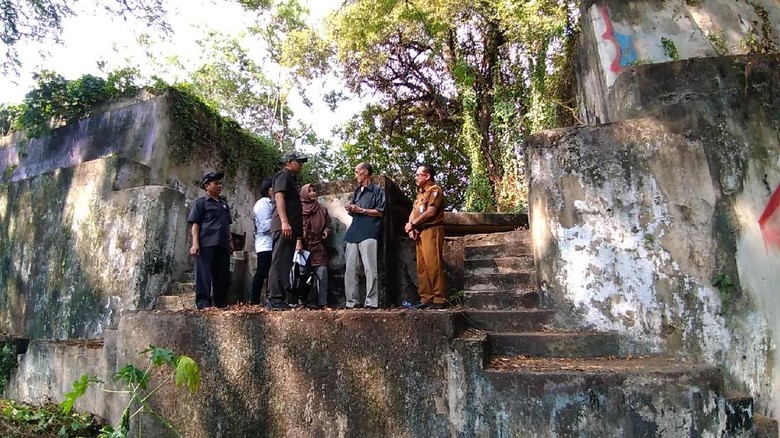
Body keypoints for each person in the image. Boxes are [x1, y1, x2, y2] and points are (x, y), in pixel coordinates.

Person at [267, 151, 307, 310]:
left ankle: (279, 298)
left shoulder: (291, 178)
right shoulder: (283, 175)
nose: (301, 165)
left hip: (290, 228)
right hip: (283, 226)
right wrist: (284, 222)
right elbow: (279, 198)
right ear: (289, 162)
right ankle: (274, 299)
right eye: (299, 162)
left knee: (284, 262)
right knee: (279, 261)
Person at [188, 171, 234, 309]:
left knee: (222, 275)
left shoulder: (223, 203)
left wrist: (230, 241)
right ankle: (203, 303)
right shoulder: (201, 203)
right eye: (216, 183)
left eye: (220, 183)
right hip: (206, 243)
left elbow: (227, 225)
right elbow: (195, 224)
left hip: (222, 244)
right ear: (207, 186)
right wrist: (195, 243)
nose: (219, 186)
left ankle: (220, 303)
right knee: (204, 274)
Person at [343, 162, 386, 309]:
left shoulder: (377, 190)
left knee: (370, 269)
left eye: (357, 172)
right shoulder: (357, 191)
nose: (355, 175)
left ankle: (371, 302)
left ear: (365, 172)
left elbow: (380, 212)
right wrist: (351, 208)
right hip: (354, 231)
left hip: (369, 231)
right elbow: (355, 209)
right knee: (350, 269)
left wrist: (360, 210)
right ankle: (351, 302)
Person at [404, 164, 447, 309]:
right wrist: (410, 226)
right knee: (421, 267)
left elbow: (431, 212)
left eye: (418, 175)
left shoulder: (435, 191)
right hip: (420, 232)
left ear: (427, 176)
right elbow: (413, 211)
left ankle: (439, 299)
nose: (416, 178)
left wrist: (414, 223)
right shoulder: (420, 194)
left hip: (432, 230)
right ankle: (426, 297)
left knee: (433, 264)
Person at [300, 183, 332, 308]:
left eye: (314, 191)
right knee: (303, 275)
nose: (313, 193)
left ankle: (323, 303)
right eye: (309, 191)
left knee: (322, 273)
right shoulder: (298, 209)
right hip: (302, 246)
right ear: (304, 194)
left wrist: (325, 232)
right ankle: (302, 303)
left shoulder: (322, 209)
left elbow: (328, 225)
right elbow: (296, 226)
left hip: (318, 246)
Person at [250, 177, 274, 305]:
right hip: (265, 244)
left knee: (271, 273)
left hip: (273, 243)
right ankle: (254, 300)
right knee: (262, 272)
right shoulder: (262, 204)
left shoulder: (272, 203)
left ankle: (270, 299)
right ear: (268, 189)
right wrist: (279, 219)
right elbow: (264, 226)